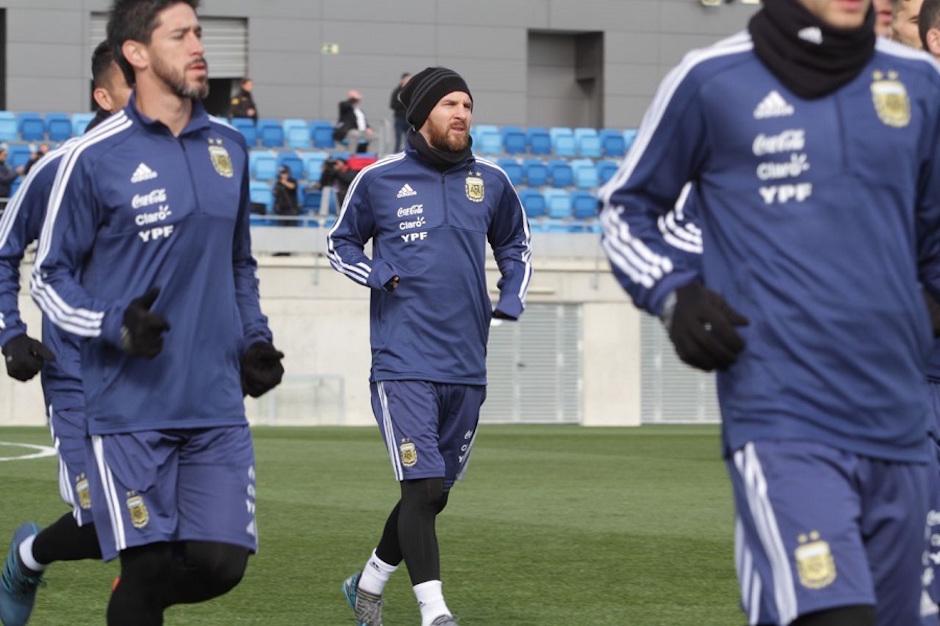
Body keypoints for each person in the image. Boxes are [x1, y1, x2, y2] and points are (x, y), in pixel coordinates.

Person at [599, 0, 940, 624]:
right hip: (783, 416)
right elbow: (625, 209)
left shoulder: (918, 83)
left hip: (901, 422)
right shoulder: (711, 78)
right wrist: (675, 295)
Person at [31, 2, 284, 624]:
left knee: (222, 564)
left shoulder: (230, 146)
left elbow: (239, 264)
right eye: (181, 35)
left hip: (215, 401)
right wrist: (113, 322)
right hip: (128, 408)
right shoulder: (92, 157)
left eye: (199, 32)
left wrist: (255, 340)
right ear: (137, 54)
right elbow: (49, 276)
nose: (199, 46)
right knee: (145, 565)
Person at [329, 66, 532, 626]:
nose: (461, 113)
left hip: (467, 362)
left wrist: (511, 290)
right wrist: (374, 273)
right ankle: (434, 611)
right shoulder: (378, 179)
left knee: (433, 495)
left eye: (467, 103)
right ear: (421, 115)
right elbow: (339, 242)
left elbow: (515, 242)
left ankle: (367, 583)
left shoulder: (490, 181)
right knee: (419, 485)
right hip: (403, 361)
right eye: (449, 103)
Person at [0, 40, 132, 626]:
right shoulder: (55, 168)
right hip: (76, 372)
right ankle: (25, 559)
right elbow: (4, 252)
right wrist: (11, 332)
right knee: (101, 516)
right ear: (104, 96)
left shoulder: (180, 168)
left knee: (176, 527)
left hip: (153, 374)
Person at [390, 72, 411, 152]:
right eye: (407, 80)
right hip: (399, 119)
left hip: (409, 119)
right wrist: (402, 103)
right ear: (402, 80)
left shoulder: (411, 91)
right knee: (398, 139)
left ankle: (407, 155)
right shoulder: (396, 91)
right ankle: (396, 155)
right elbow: (392, 105)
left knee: (409, 139)